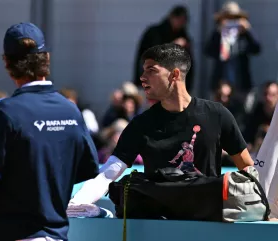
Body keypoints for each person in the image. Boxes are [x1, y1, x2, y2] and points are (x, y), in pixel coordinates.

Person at [0, 22, 99, 241]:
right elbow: (88, 166)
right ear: (45, 59)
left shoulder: (5, 112)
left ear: (7, 63)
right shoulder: (70, 110)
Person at [71, 43, 253, 205]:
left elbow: (247, 169)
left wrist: (265, 211)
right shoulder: (141, 124)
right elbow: (107, 174)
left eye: (151, 70)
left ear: (174, 75)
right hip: (158, 226)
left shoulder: (217, 114)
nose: (142, 77)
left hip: (207, 224)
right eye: (143, 70)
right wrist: (78, 203)